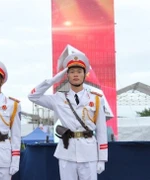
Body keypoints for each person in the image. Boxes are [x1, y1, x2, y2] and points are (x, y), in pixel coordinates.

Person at [28, 52, 108, 180]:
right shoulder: (58, 98)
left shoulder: (96, 99)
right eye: (71, 71)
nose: (75, 74)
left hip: (89, 152)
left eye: (79, 71)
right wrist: (52, 81)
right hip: (67, 151)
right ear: (66, 75)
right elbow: (33, 96)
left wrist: (102, 158)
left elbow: (102, 131)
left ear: (85, 74)